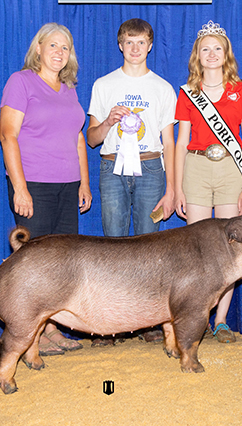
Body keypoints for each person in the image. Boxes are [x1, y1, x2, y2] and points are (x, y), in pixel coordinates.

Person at [0, 22, 92, 356]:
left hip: (67, 185)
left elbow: (78, 137)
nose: (59, 52)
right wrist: (19, 188)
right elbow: (8, 136)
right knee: (31, 265)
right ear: (38, 48)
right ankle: (27, 336)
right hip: (34, 184)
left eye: (65, 47)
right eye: (53, 45)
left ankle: (50, 329)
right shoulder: (20, 82)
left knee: (61, 264)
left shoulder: (69, 89)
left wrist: (84, 181)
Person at [87, 18, 177, 346]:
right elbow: (92, 139)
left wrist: (172, 188)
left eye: (141, 42)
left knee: (148, 247)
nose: (135, 48)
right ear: (120, 45)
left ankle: (147, 321)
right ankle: (107, 323)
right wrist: (109, 121)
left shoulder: (163, 88)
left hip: (152, 168)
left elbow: (169, 142)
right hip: (112, 168)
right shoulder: (103, 85)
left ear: (150, 45)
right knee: (111, 246)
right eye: (129, 42)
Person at [174, 20, 242, 344]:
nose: (211, 54)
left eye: (217, 49)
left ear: (226, 55)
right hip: (195, 167)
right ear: (198, 55)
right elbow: (181, 142)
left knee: (228, 246)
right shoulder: (188, 93)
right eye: (205, 49)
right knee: (197, 249)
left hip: (229, 169)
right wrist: (178, 186)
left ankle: (221, 320)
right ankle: (197, 317)